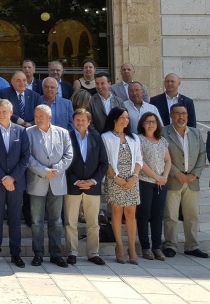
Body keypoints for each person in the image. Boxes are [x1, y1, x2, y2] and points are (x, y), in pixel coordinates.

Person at [0, 99, 30, 268]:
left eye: (4, 112)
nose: (1, 114)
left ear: (11, 113)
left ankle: (15, 254)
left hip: (16, 183)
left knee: (15, 220)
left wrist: (13, 178)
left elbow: (25, 157)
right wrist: (4, 178)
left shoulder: (21, 132)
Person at [26, 105, 73, 268]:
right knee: (37, 222)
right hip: (37, 182)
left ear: (50, 118)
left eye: (41, 116)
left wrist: (57, 170)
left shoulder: (63, 133)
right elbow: (28, 157)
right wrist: (44, 171)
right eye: (36, 116)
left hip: (57, 182)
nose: (38, 119)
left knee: (56, 221)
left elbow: (69, 155)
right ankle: (38, 254)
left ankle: (55, 254)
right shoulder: (29, 132)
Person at [162, 104, 208, 258]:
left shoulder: (195, 132)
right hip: (173, 179)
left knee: (192, 215)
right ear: (171, 115)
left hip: (192, 180)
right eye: (177, 113)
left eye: (184, 114)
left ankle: (192, 245)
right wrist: (177, 173)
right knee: (171, 215)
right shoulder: (163, 132)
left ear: (188, 116)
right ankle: (170, 245)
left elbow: (202, 154)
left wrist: (195, 174)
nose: (181, 117)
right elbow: (162, 154)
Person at [64, 108, 108, 266]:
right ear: (73, 121)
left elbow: (104, 163)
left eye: (83, 120)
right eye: (77, 120)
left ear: (89, 122)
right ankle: (72, 252)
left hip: (92, 187)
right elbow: (64, 162)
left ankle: (93, 253)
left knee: (93, 222)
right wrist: (75, 181)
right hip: (73, 186)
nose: (80, 123)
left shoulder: (97, 138)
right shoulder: (66, 137)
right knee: (71, 222)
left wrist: (93, 181)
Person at [101, 107, 142, 264]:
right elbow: (105, 161)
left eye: (127, 117)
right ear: (114, 119)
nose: (126, 120)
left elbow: (139, 159)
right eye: (122, 117)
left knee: (131, 212)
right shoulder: (105, 137)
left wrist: (135, 176)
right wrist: (116, 178)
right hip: (114, 178)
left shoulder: (134, 138)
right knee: (117, 212)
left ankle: (131, 247)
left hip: (132, 178)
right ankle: (119, 246)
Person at [136, 112, 171, 261]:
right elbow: (141, 162)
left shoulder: (162, 140)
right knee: (144, 215)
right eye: (148, 121)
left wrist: (165, 177)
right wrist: (156, 177)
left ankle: (156, 247)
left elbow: (168, 160)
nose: (151, 124)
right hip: (145, 182)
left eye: (154, 122)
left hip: (161, 183)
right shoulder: (139, 139)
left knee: (158, 215)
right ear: (143, 124)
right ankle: (145, 247)